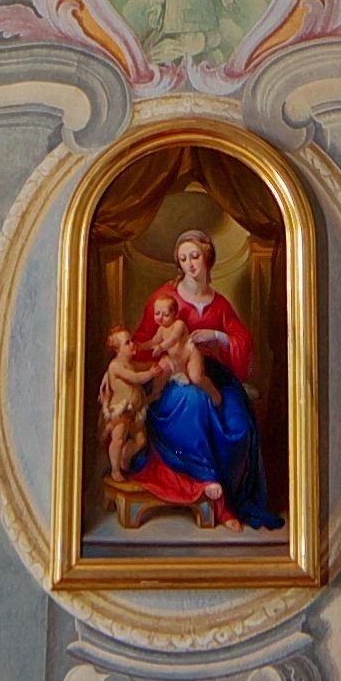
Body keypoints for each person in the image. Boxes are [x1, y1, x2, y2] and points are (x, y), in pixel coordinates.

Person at [105, 219, 273, 531]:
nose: (189, 264)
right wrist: (134, 364)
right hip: (171, 380)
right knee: (194, 400)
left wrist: (218, 336)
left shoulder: (219, 303)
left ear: (207, 257)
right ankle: (212, 491)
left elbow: (241, 341)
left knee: (238, 422)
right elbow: (145, 340)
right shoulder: (166, 299)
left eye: (194, 256)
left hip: (215, 373)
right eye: (183, 258)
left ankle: (232, 495)